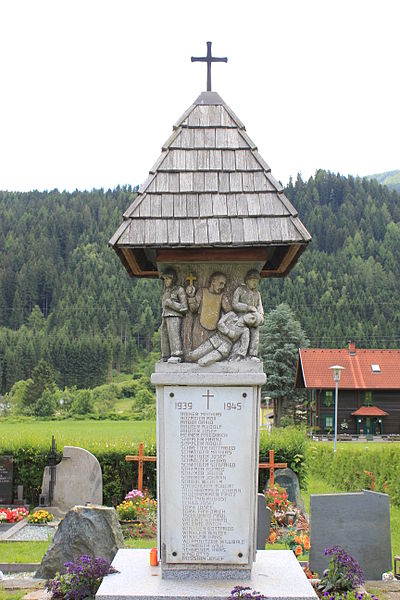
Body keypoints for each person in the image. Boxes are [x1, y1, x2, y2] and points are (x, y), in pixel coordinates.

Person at [187, 311, 257, 367]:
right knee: (192, 356)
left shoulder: (245, 330)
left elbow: (244, 345)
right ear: (248, 313)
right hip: (216, 339)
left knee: (203, 362)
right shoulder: (231, 315)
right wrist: (228, 332)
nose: (252, 318)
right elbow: (220, 324)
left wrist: (240, 355)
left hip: (225, 347)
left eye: (255, 321)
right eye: (253, 315)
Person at [186, 272, 231, 349]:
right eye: (221, 283)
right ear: (213, 281)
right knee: (197, 350)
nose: (222, 286)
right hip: (199, 328)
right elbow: (193, 309)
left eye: (224, 284)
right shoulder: (202, 292)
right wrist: (191, 296)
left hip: (214, 331)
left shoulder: (222, 296)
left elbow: (229, 312)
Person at [232, 270, 264, 360]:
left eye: (257, 281)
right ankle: (240, 354)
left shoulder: (257, 293)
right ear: (247, 280)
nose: (255, 283)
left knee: (255, 332)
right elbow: (234, 304)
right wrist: (247, 307)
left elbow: (259, 306)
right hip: (241, 317)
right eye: (253, 280)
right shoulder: (240, 290)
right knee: (245, 332)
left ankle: (253, 355)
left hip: (254, 318)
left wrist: (261, 315)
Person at [160, 268, 188, 363]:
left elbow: (184, 307)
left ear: (173, 279)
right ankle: (165, 355)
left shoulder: (179, 290)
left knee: (173, 334)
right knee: (164, 335)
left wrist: (171, 303)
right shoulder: (166, 290)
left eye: (168, 278)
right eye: (164, 279)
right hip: (165, 316)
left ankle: (177, 354)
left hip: (174, 316)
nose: (166, 281)